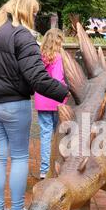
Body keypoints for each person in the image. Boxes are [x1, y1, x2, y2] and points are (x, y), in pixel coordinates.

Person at [0, 0, 69, 210]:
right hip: (13, 105)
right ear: (25, 11)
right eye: (34, 12)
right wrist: (66, 93)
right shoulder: (21, 35)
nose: (35, 17)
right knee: (20, 157)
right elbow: (38, 78)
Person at [34, 29, 68, 179]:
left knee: (45, 135)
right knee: (59, 136)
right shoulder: (58, 57)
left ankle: (44, 170)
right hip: (57, 100)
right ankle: (59, 167)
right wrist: (67, 91)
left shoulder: (38, 57)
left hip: (42, 100)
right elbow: (57, 80)